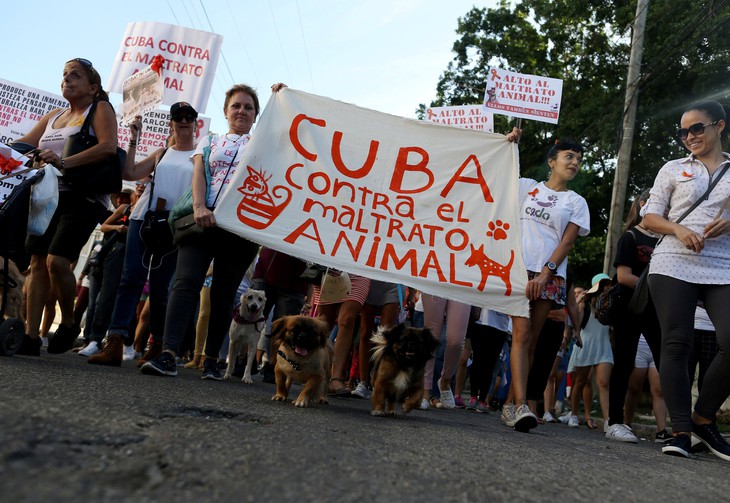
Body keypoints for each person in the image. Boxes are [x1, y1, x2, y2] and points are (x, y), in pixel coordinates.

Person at [141, 84, 274, 380]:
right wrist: (199, 207)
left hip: (240, 230)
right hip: (202, 221)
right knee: (185, 282)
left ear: (256, 116)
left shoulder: (262, 145)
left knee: (224, 293)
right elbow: (199, 175)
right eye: (236, 106)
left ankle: (212, 360)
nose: (241, 111)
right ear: (226, 111)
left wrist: (280, 98)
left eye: (248, 107)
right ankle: (168, 354)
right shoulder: (209, 141)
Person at [643, 100, 730, 461]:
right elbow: (650, 218)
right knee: (676, 344)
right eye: (683, 131)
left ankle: (702, 420)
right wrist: (678, 229)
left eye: (697, 128)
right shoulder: (673, 168)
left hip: (723, 265)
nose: (689, 136)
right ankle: (680, 431)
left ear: (719, 126)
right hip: (673, 262)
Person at [16, 58, 118, 356]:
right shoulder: (53, 117)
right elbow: (22, 146)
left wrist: (63, 161)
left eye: (75, 76)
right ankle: (31, 337)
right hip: (48, 196)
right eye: (64, 75)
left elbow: (108, 146)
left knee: (57, 262)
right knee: (37, 263)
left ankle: (70, 321)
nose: (67, 80)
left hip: (82, 197)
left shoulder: (99, 109)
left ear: (93, 87)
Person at [87, 102, 198, 366]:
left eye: (188, 117)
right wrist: (133, 138)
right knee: (130, 279)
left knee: (161, 288)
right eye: (177, 117)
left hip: (173, 224)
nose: (183, 121)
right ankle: (114, 341)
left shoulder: (200, 155)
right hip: (143, 220)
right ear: (171, 123)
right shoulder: (161, 153)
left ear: (196, 123)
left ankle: (156, 345)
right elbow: (129, 172)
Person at [501, 135, 590, 432]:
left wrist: (545, 274)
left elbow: (566, 243)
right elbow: (500, 170)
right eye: (569, 156)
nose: (575, 162)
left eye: (578, 158)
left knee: (532, 341)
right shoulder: (527, 187)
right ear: (552, 161)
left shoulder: (576, 202)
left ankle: (512, 405)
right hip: (517, 271)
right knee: (522, 334)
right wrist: (510, 142)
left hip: (549, 277)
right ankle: (521, 404)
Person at [606, 189, 662, 443]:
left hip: (657, 310)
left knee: (667, 361)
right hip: (629, 308)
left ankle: (683, 427)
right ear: (642, 204)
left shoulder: (665, 239)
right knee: (624, 363)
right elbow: (623, 276)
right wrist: (655, 286)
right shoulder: (630, 237)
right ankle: (614, 421)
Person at [566, 280, 613, 430]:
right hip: (586, 345)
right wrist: (579, 299)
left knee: (604, 383)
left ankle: (607, 421)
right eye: (603, 287)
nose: (606, 290)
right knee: (580, 382)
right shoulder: (584, 306)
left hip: (603, 347)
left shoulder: (610, 306)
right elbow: (576, 324)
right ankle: (573, 414)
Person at [623, 335, 672, 443]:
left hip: (656, 345)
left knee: (659, 390)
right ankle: (627, 424)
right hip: (639, 346)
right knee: (634, 388)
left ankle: (661, 431)